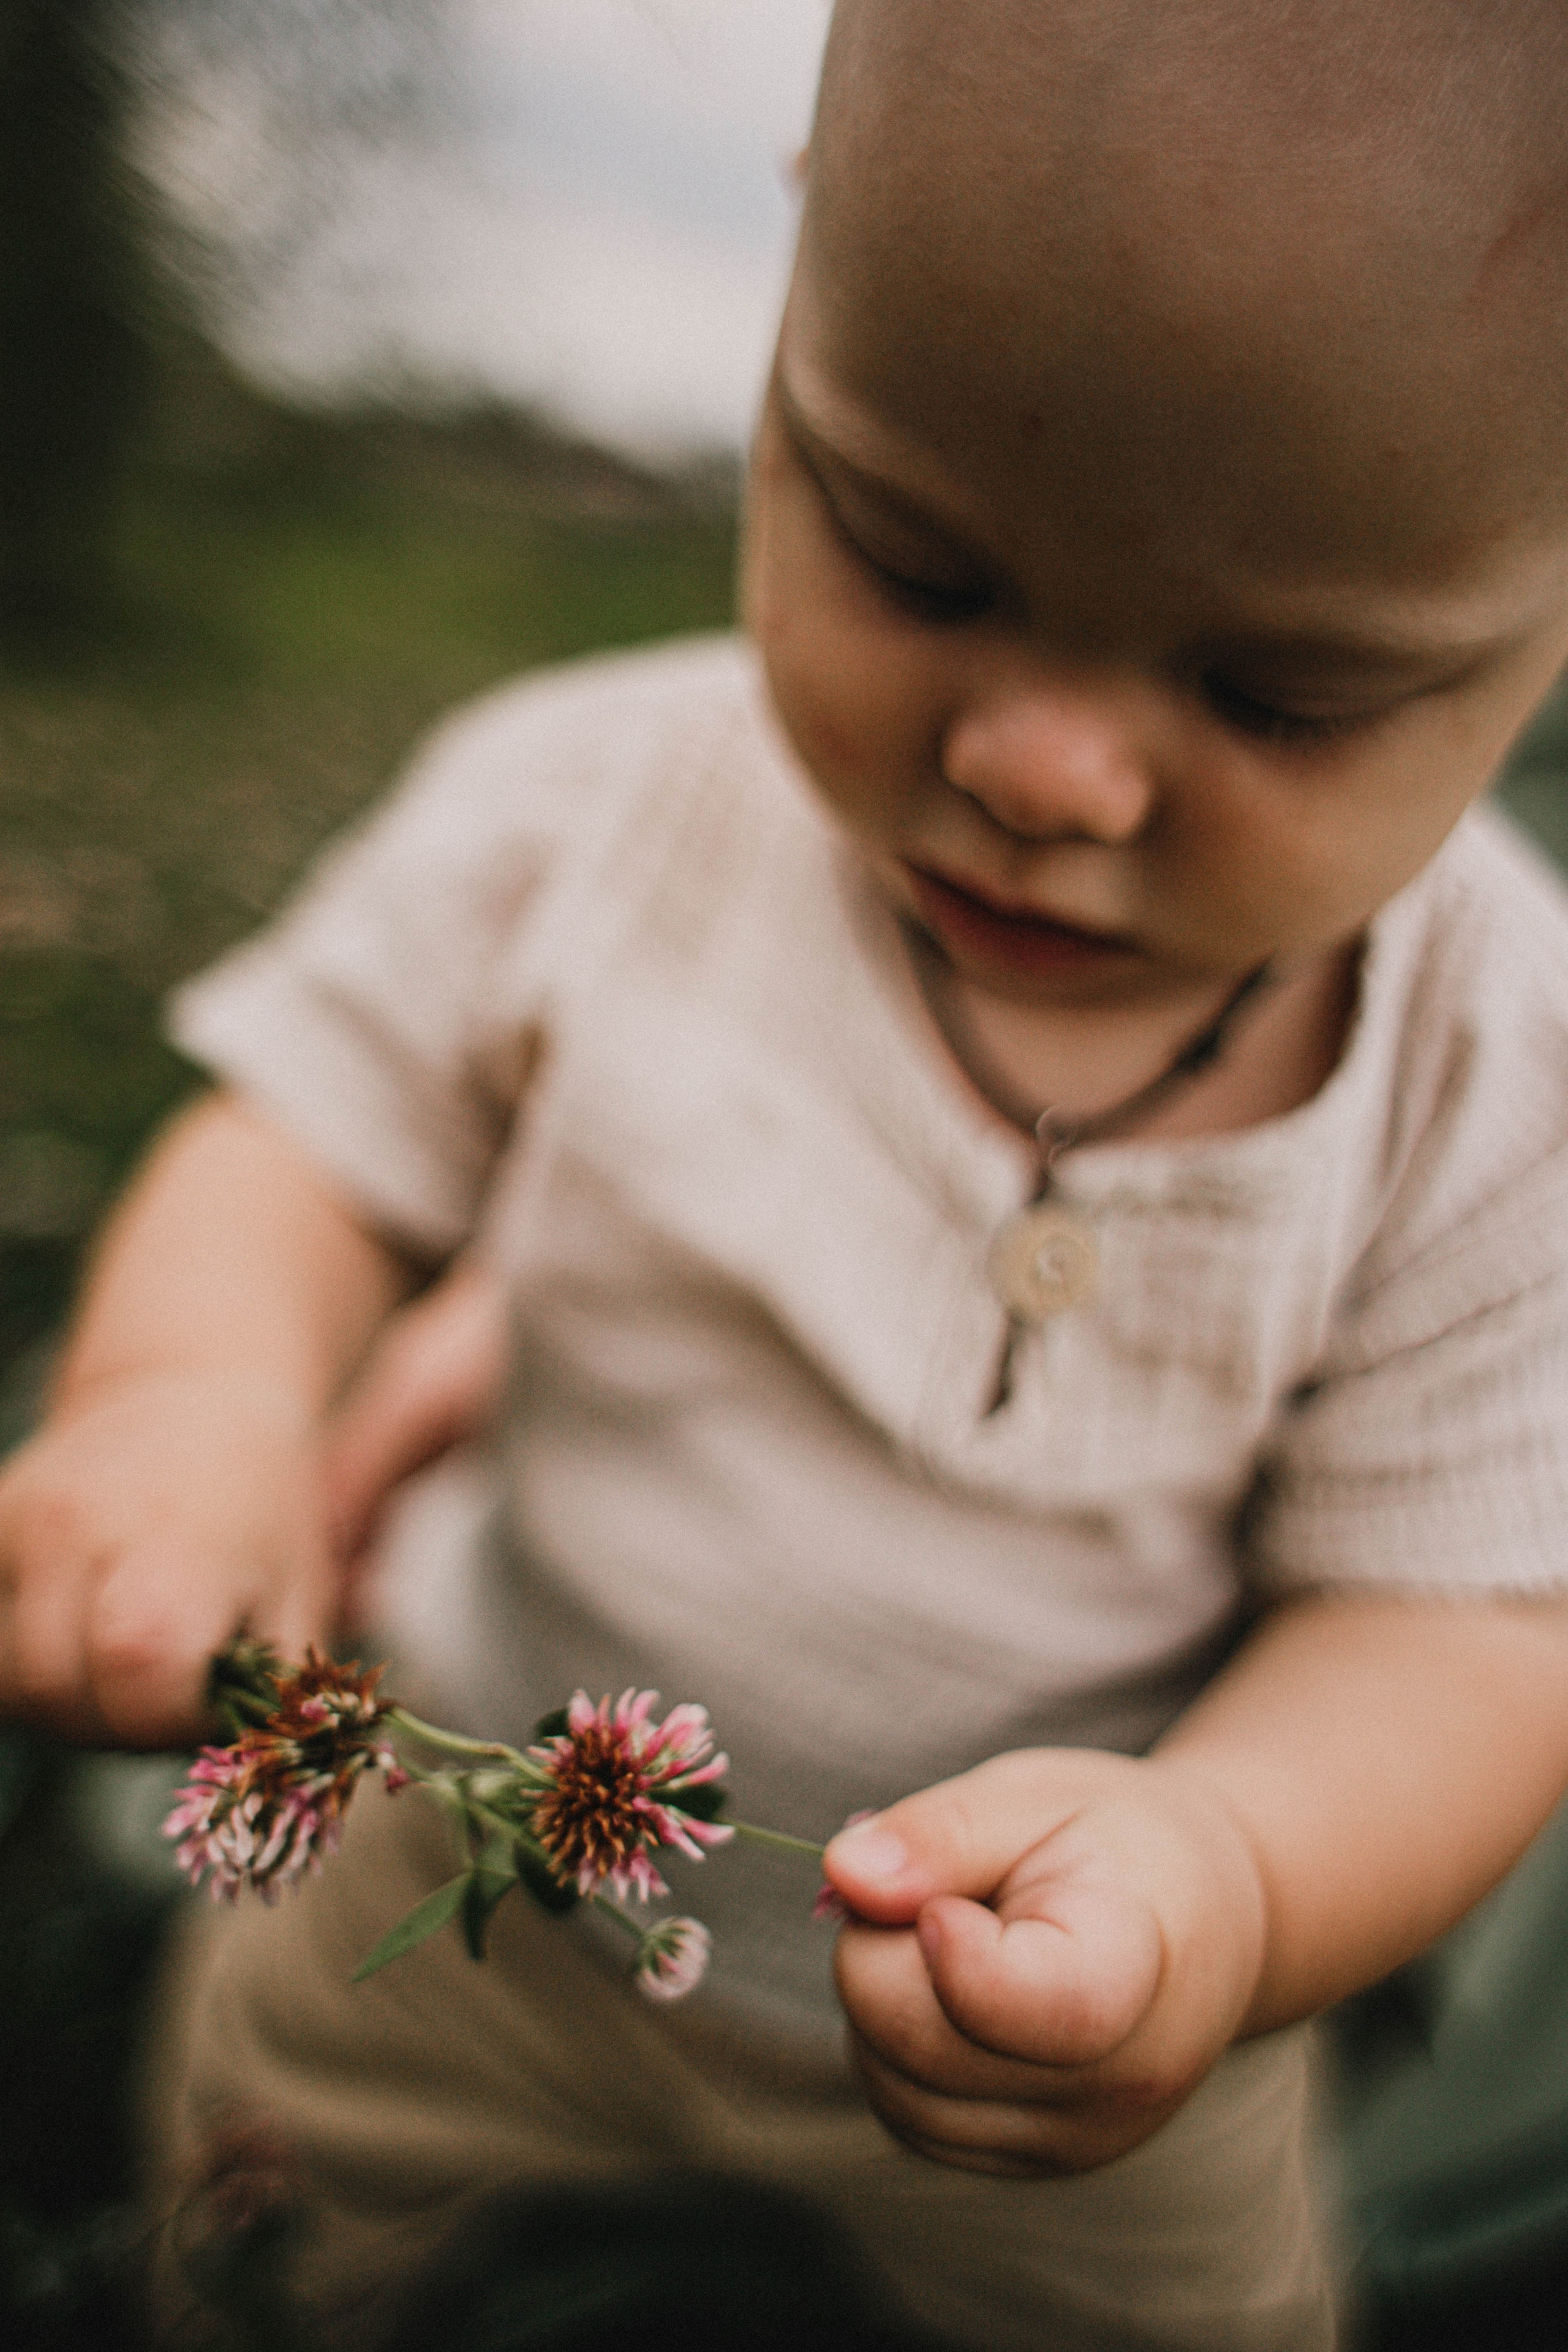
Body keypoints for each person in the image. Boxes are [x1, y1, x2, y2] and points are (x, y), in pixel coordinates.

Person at [7, 1, 1568, 2343]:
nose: (1042, 768)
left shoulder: (1489, 1062)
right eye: (922, 564)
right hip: (478, 1839)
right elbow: (303, 1155)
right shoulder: (593, 814)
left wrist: (1236, 1882)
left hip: (1084, 1992)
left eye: (1277, 695)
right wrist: (189, 1393)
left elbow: (1460, 1628)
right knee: (255, 2180)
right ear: (792, 304)